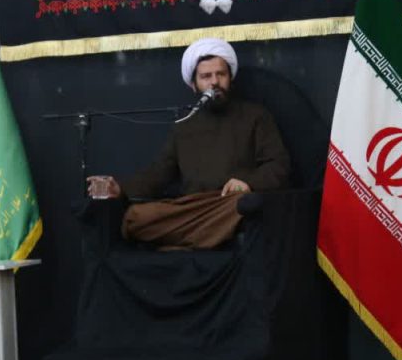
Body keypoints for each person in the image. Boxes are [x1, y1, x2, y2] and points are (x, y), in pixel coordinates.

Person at [86, 37, 290, 249]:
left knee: (242, 206)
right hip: (193, 209)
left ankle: (187, 239)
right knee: (135, 218)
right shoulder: (184, 126)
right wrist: (120, 188)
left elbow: (279, 166)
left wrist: (248, 183)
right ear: (194, 85)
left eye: (221, 74)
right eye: (206, 76)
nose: (214, 82)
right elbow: (158, 174)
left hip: (229, 204)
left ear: (230, 78)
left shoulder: (255, 116)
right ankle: (205, 237)